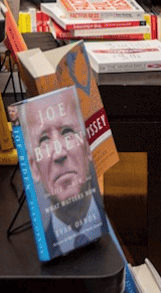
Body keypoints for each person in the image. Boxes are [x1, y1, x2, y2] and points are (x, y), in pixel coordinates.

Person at [24, 88, 107, 257]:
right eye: (44, 140)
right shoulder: (39, 248)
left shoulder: (116, 232)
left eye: (67, 132)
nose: (59, 153)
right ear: (34, 168)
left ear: (87, 148)